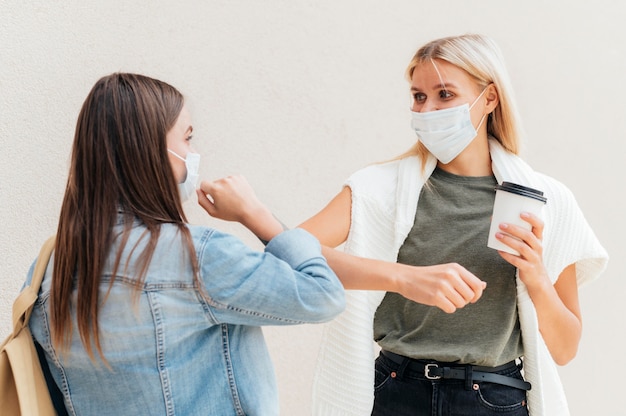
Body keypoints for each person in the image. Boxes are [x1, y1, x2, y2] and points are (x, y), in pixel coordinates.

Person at [299, 34, 608, 416]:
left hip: (495, 399)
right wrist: (402, 277)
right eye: (418, 96)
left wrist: (537, 278)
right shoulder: (378, 189)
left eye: (445, 94)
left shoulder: (546, 201)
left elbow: (565, 349)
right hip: (396, 393)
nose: (428, 110)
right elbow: (291, 253)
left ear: (490, 98)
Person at [26, 72, 345, 416]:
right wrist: (255, 212)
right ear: (149, 149)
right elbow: (322, 295)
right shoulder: (196, 256)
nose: (194, 153)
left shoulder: (52, 267)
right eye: (188, 138)